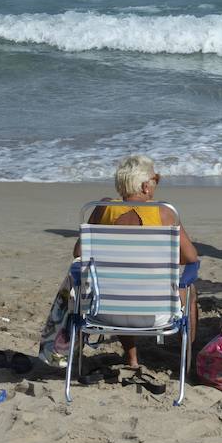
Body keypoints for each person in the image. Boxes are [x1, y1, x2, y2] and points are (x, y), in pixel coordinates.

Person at [78, 154, 200, 372]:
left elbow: (79, 252)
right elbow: (191, 258)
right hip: (157, 314)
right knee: (191, 292)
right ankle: (187, 361)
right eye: (155, 179)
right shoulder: (164, 212)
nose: (156, 184)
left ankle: (131, 358)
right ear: (145, 186)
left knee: (120, 282)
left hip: (104, 311)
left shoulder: (102, 208)